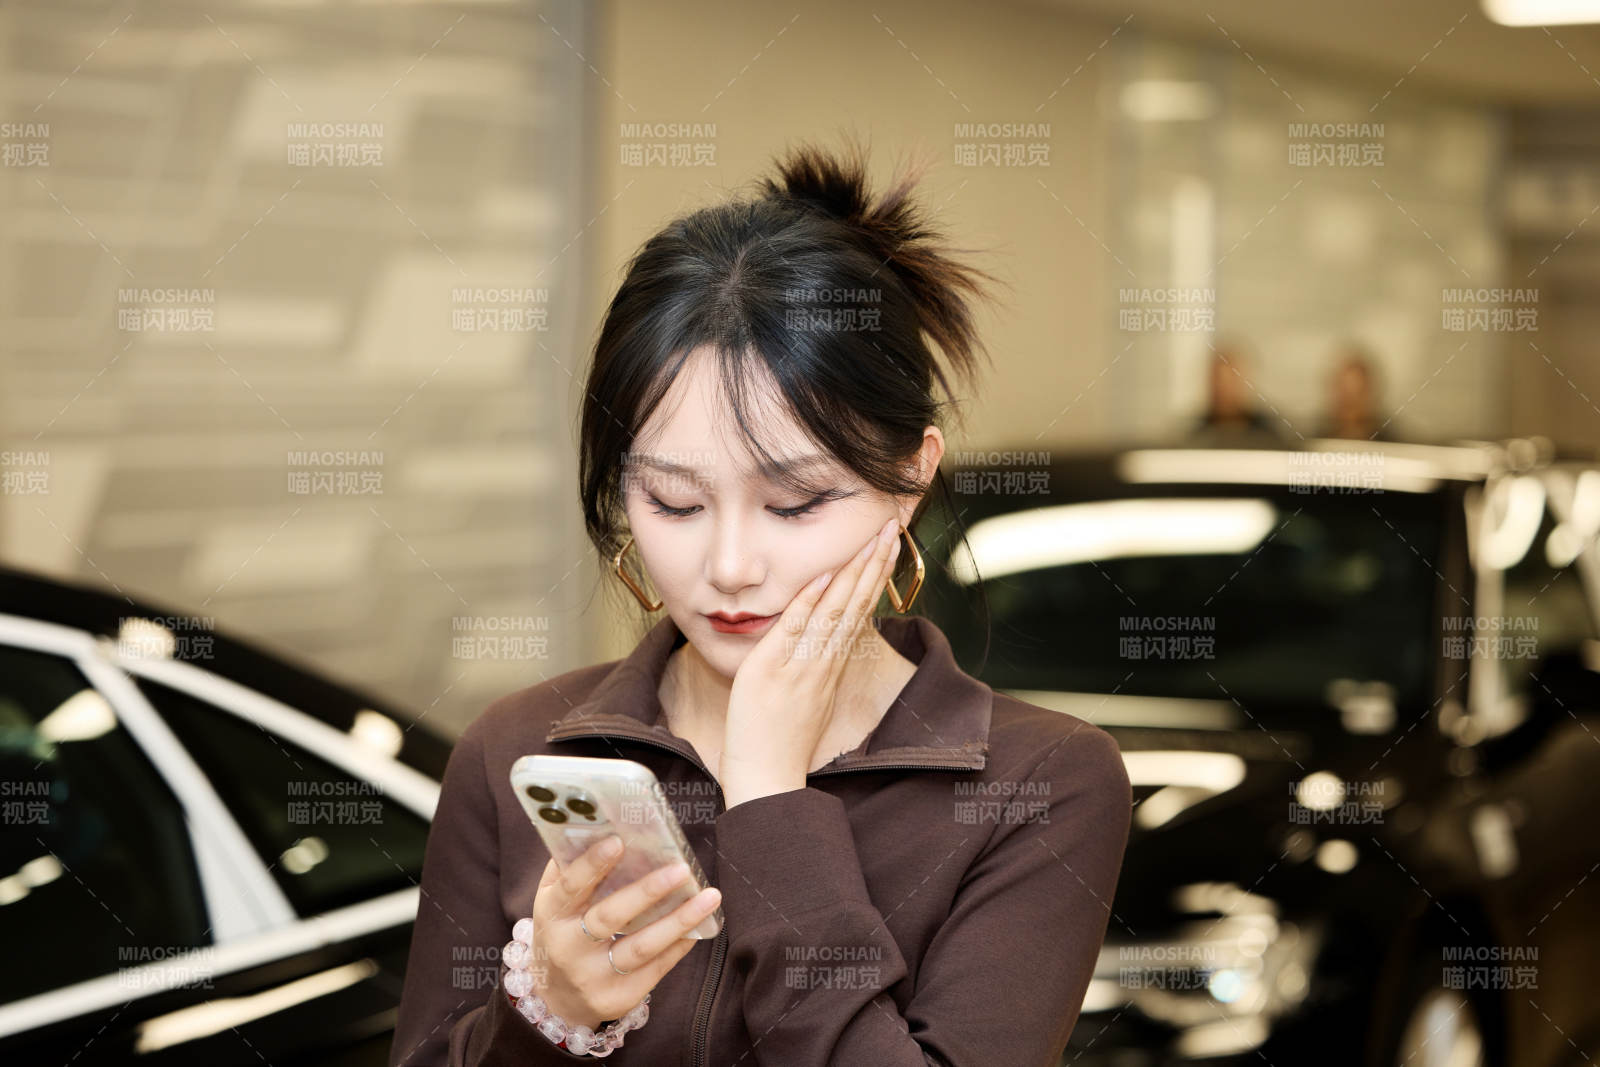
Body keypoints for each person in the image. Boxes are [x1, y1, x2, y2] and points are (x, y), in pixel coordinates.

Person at [389, 137, 1132, 1066]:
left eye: (794, 502)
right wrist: (549, 1017)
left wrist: (773, 799)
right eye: (674, 501)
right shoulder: (519, 749)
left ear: (910, 478)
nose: (730, 564)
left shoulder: (1042, 782)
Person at [1184, 338, 1293, 447]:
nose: (1223, 390)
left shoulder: (1272, 437)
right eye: (1217, 381)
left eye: (1231, 380)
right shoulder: (1192, 438)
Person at [1314, 341, 1399, 441]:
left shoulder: (1398, 445)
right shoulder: (1311, 443)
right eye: (1345, 396)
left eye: (1357, 396)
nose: (1350, 412)